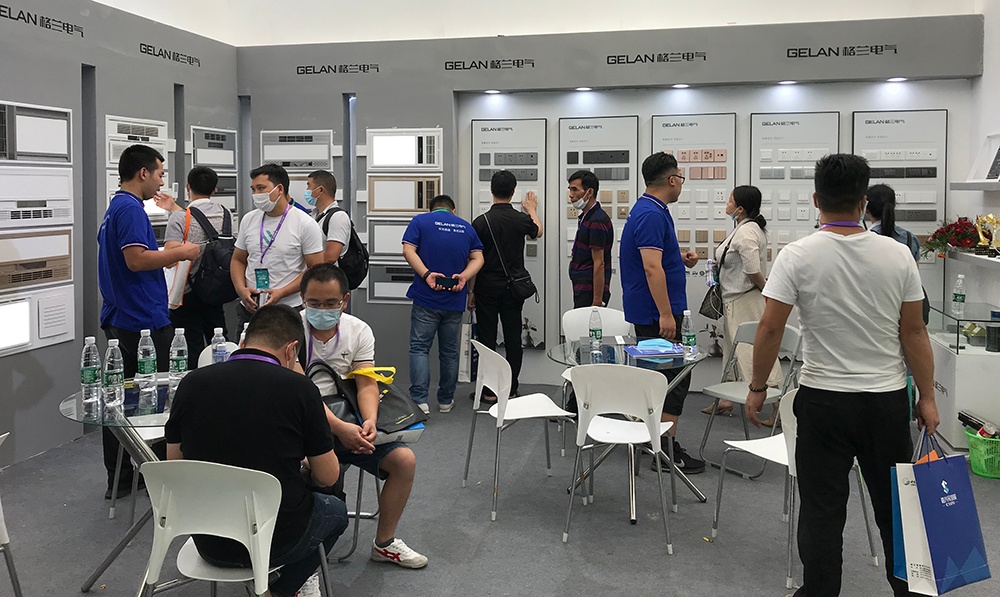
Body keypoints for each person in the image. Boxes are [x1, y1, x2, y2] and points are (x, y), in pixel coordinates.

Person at [746, 153, 939, 597]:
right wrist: (927, 396)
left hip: (823, 401)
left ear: (816, 199)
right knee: (897, 509)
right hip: (885, 402)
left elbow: (770, 328)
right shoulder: (898, 254)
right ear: (863, 200)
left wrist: (757, 387)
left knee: (822, 511)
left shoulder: (797, 255)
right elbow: (914, 331)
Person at [164, 304, 347, 597]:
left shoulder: (191, 383)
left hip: (209, 541)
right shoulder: (300, 389)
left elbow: (175, 464)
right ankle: (279, 590)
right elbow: (327, 476)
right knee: (336, 511)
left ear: (242, 343)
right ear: (291, 350)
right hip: (277, 542)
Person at [298, 264, 428, 569]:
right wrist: (340, 429)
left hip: (348, 417)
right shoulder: (290, 328)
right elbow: (299, 391)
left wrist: (369, 422)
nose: (322, 310)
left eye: (330, 303)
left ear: (344, 300)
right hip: (304, 421)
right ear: (302, 299)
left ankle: (384, 543)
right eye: (314, 303)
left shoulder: (358, 330)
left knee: (403, 461)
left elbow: (366, 383)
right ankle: (303, 562)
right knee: (312, 468)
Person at [98, 144, 201, 499]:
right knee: (159, 399)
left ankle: (122, 478)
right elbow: (137, 260)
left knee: (120, 401)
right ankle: (159, 475)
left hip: (123, 316)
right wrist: (180, 253)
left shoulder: (116, 207)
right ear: (143, 173)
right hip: (142, 320)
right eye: (159, 173)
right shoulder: (130, 210)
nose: (160, 182)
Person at [618, 152, 705, 474]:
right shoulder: (651, 214)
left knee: (662, 377)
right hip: (657, 314)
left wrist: (678, 257)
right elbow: (652, 268)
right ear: (671, 180)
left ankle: (652, 440)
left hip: (653, 310)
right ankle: (665, 451)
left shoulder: (651, 210)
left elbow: (655, 258)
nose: (681, 183)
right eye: (680, 177)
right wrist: (666, 315)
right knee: (672, 380)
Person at [699, 185, 783, 422]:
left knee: (753, 353)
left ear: (740, 209)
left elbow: (753, 269)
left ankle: (778, 408)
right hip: (735, 299)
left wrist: (766, 291)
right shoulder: (744, 228)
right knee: (732, 351)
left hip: (745, 300)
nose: (726, 204)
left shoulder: (746, 233)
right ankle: (725, 400)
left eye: (730, 201)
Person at [402, 195, 484, 413]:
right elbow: (478, 258)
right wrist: (464, 277)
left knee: (420, 348)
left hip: (426, 298)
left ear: (432, 210)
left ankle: (420, 401)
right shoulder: (466, 228)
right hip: (454, 300)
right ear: (453, 210)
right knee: (449, 352)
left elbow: (408, 250)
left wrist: (427, 274)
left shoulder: (420, 222)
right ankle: (446, 400)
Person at [469, 171, 543, 401]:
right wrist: (531, 209)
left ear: (491, 191)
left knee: (487, 339)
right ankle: (510, 389)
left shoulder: (480, 222)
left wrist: (471, 291)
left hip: (486, 287)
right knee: (513, 338)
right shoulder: (520, 219)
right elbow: (538, 231)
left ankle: (489, 390)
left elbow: (474, 259)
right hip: (513, 288)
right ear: (513, 192)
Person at [232, 163, 325, 328]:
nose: (256, 194)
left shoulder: (304, 223)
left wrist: (282, 292)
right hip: (251, 307)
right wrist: (241, 289)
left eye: (261, 188)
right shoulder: (249, 219)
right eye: (253, 189)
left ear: (279, 189)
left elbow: (315, 269)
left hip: (289, 307)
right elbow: (238, 260)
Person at [162, 166, 236, 358]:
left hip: (187, 292)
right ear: (214, 190)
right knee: (219, 342)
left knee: (189, 346)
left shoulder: (179, 218)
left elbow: (169, 259)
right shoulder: (225, 213)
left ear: (188, 187)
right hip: (215, 288)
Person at [567, 170, 614, 308]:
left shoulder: (596, 221)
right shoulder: (587, 217)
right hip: (583, 287)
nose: (571, 194)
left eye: (575, 189)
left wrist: (597, 300)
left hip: (590, 291)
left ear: (589, 192)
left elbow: (599, 263)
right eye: (570, 189)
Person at [305, 170, 352, 265]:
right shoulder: (313, 215)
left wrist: (305, 264)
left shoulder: (338, 217)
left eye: (309, 186)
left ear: (320, 190)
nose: (307, 190)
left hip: (325, 273)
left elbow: (330, 257)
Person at [866, 183, 920, 261]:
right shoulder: (910, 238)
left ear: (866, 209)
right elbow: (914, 268)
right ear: (893, 206)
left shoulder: (863, 240)